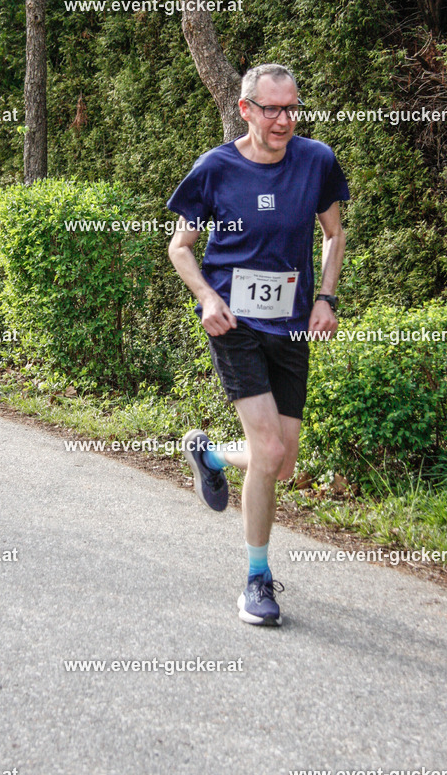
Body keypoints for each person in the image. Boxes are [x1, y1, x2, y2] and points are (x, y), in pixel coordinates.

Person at [167, 63, 349, 626]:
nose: (284, 119)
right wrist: (206, 298)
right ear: (245, 109)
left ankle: (211, 455)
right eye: (272, 109)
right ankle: (256, 580)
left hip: (292, 325)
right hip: (235, 327)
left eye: (292, 107)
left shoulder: (316, 160)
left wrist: (325, 298)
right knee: (270, 454)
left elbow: (335, 234)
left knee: (284, 464)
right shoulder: (215, 168)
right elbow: (180, 247)